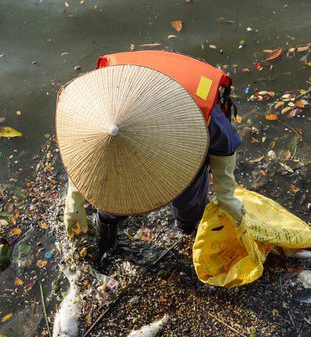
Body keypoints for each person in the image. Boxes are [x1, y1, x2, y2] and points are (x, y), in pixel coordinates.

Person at [56, 51, 244, 256]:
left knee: (189, 204)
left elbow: (225, 149)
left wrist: (226, 198)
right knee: (110, 203)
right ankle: (105, 246)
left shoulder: (200, 113)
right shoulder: (100, 105)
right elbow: (84, 150)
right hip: (118, 139)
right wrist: (74, 196)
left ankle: (188, 229)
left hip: (179, 146)